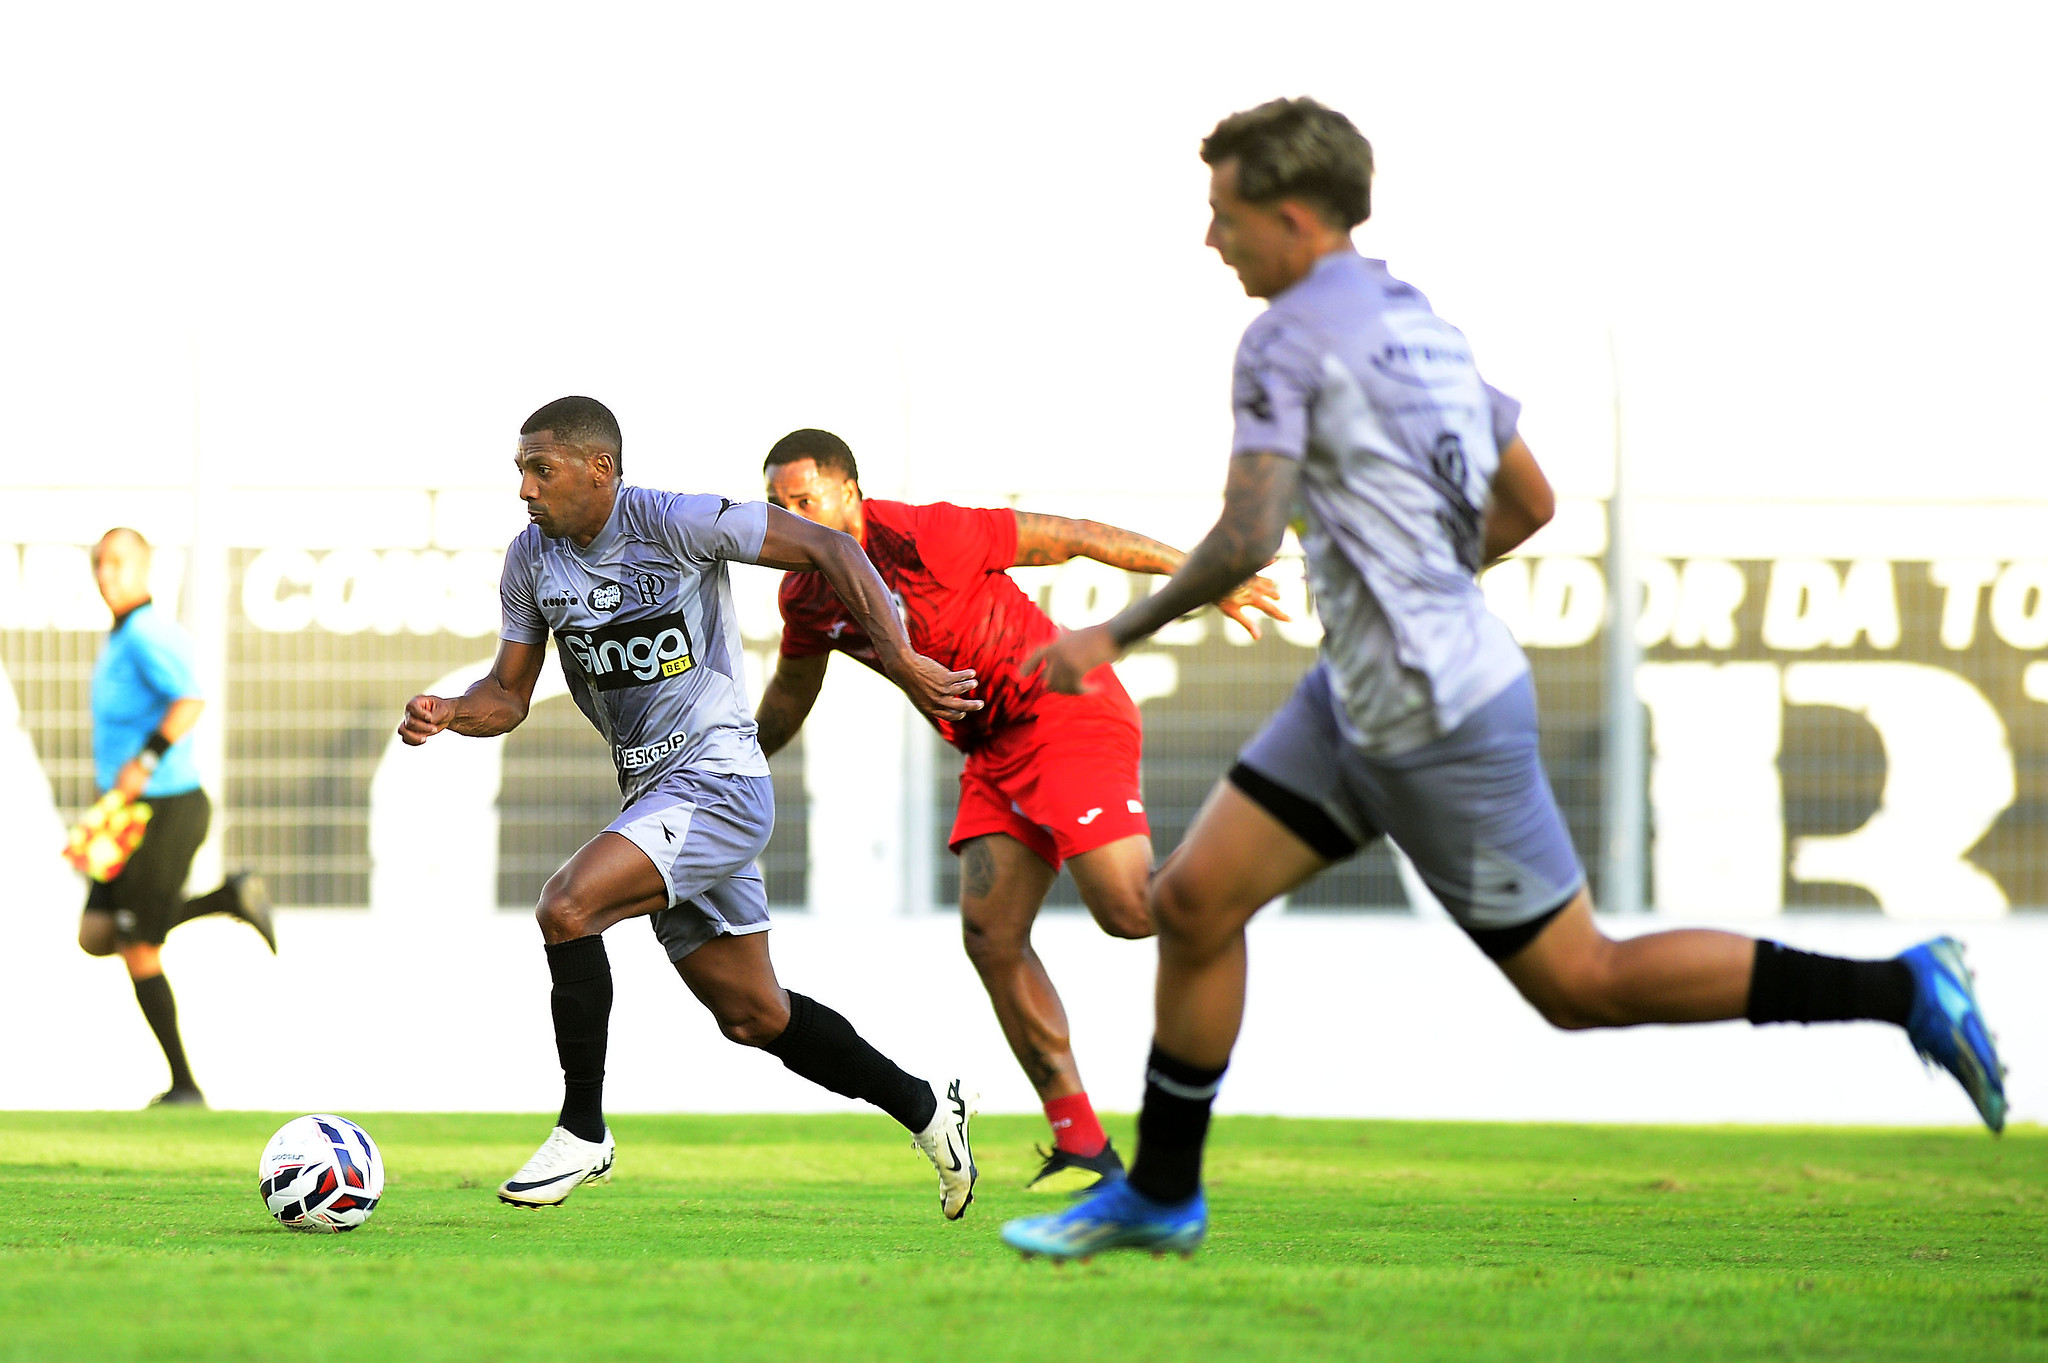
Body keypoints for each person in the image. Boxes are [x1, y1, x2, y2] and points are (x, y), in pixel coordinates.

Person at [1002, 98, 2008, 1260]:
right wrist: (1418, 582)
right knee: (1188, 904)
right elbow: (1528, 500)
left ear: (1287, 216)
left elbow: (1243, 538)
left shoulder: (1281, 339)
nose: (1209, 240)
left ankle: (1902, 987)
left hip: (1430, 717)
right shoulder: (1418, 326)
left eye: (1222, 215)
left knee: (1582, 982)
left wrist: (1107, 637)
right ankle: (1162, 1193)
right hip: (1366, 692)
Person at [398, 396, 984, 1218]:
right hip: (655, 796)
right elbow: (507, 693)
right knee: (753, 1014)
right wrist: (450, 711)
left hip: (718, 782)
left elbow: (827, 544)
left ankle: (583, 1128)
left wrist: (903, 656)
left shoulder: (674, 522)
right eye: (521, 471)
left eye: (541, 468)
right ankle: (926, 1109)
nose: (525, 489)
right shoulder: (530, 560)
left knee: (566, 907)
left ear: (600, 469)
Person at [756, 429, 1286, 1193]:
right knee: (991, 935)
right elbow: (789, 696)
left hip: (1062, 711)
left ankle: (1265, 854)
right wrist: (723, 761)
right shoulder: (805, 592)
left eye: (803, 500)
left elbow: (1073, 538)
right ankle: (1084, 1145)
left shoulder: (928, 533)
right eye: (777, 504)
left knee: (1131, 912)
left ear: (851, 493)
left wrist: (1213, 578)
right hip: (993, 753)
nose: (789, 516)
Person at [77, 527, 275, 1109]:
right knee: (94, 935)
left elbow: (190, 698)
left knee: (140, 944)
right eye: (98, 563)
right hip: (121, 814)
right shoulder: (120, 637)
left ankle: (184, 1087)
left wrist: (145, 759)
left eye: (117, 562)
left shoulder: (147, 633)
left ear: (144, 567)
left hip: (163, 808)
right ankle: (226, 898)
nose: (104, 573)